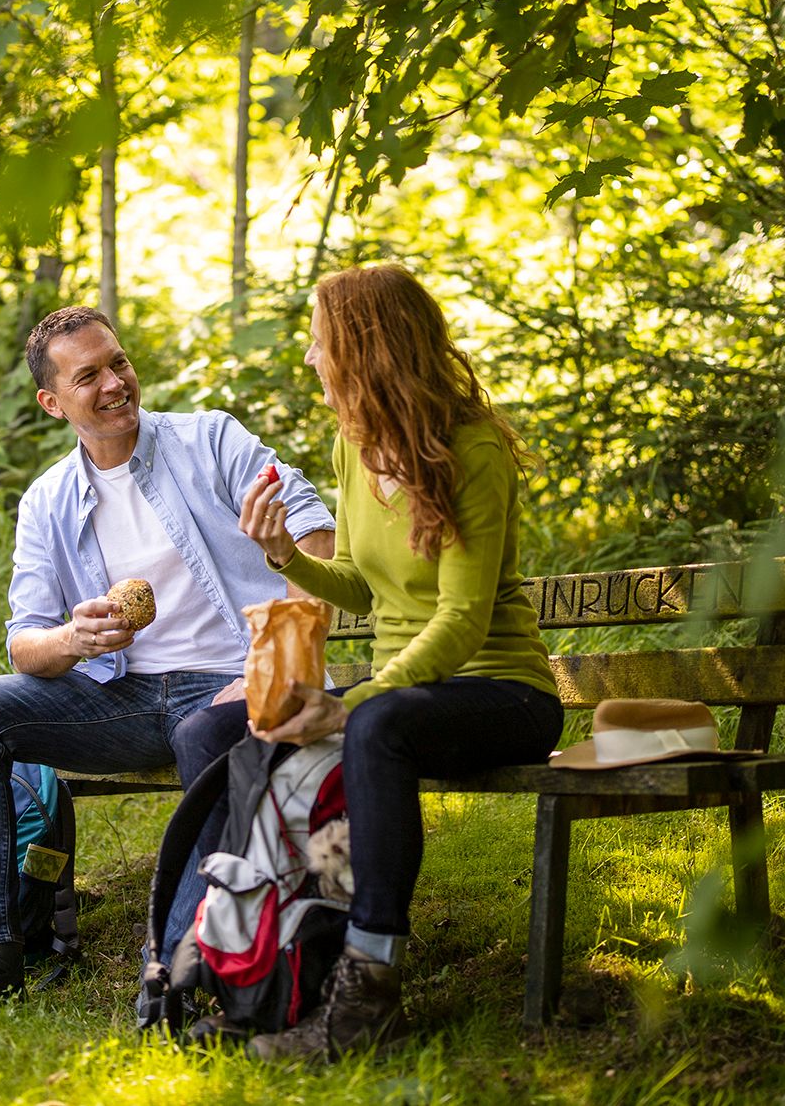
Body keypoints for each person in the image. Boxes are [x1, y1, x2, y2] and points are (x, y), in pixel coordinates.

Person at [0, 305, 335, 1005]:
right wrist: (75, 638)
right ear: (52, 401)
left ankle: (192, 950)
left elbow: (312, 529)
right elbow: (24, 641)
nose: (115, 383)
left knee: (204, 734)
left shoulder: (210, 439)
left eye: (119, 363)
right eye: (89, 375)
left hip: (229, 681)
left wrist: (275, 663)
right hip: (121, 696)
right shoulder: (47, 501)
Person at [186, 264, 564, 1061]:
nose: (314, 360)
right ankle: (252, 964)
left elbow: (462, 618)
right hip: (404, 697)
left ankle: (369, 991)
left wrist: (360, 700)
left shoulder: (474, 448)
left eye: (321, 343)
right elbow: (357, 583)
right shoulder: (354, 446)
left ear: (366, 350)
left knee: (377, 723)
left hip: (502, 692)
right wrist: (281, 550)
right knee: (229, 729)